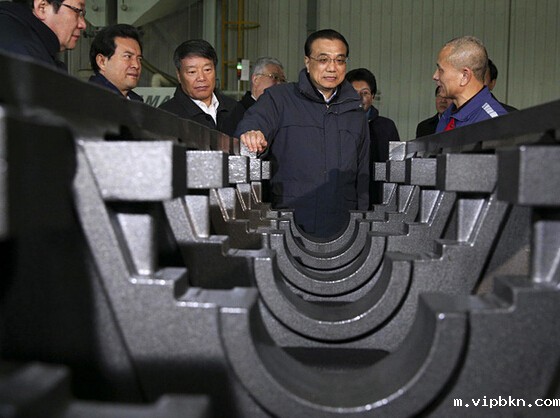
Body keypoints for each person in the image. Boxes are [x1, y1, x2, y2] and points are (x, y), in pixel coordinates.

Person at [235, 29, 370, 238]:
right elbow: (255, 122)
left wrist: (361, 225)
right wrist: (251, 133)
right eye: (323, 59)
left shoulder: (355, 111)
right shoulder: (279, 99)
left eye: (339, 60)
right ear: (307, 62)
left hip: (341, 226)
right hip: (289, 223)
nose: (332, 68)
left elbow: (362, 175)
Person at [159, 39, 244, 137]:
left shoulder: (235, 109)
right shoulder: (165, 116)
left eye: (207, 70)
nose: (201, 78)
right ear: (179, 75)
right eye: (192, 72)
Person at [345, 67, 399, 206]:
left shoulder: (387, 126)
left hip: (377, 199)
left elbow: (396, 168)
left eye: (365, 93)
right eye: (354, 93)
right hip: (344, 199)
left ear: (373, 96)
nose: (359, 98)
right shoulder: (335, 126)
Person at [433, 36, 508, 133]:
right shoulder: (447, 116)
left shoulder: (494, 124)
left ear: (465, 76)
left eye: (441, 70)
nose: (435, 76)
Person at [0, 0, 86, 71]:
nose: (83, 25)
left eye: (83, 14)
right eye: (77, 11)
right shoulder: (25, 56)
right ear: (42, 8)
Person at [88, 24, 143, 101]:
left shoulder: (135, 101)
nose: (136, 65)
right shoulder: (89, 101)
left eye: (139, 59)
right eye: (128, 56)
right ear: (102, 62)